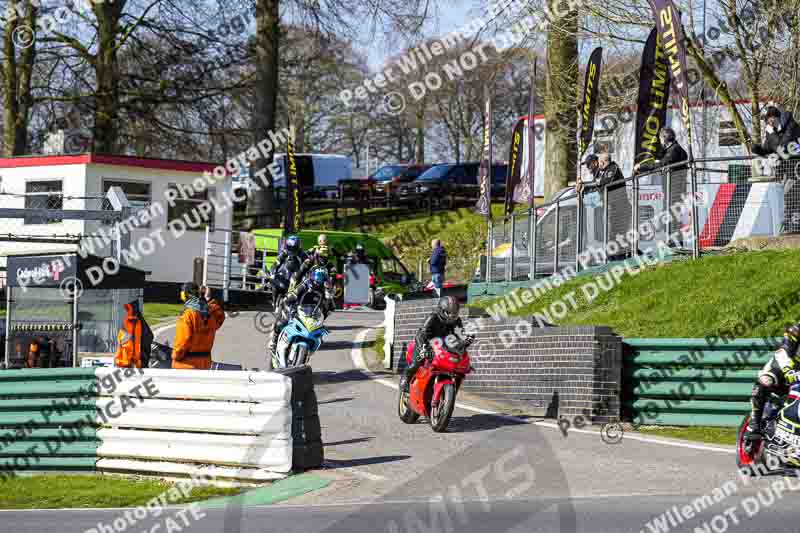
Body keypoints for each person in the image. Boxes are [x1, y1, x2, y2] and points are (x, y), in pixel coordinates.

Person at [633, 127, 689, 245]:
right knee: (670, 216)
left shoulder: (674, 150)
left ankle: (675, 244)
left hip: (674, 189)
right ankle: (674, 243)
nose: (660, 142)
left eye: (660, 139)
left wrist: (641, 167)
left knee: (672, 216)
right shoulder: (671, 150)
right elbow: (661, 161)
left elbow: (663, 163)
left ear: (665, 138)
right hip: (671, 189)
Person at [745, 324, 800, 441]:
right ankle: (754, 424)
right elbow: (782, 354)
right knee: (765, 381)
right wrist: (789, 371)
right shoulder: (796, 331)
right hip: (781, 369)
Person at [400, 296, 463, 393]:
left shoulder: (457, 321)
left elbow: (460, 335)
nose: (452, 316)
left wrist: (464, 342)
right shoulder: (432, 318)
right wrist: (423, 348)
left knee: (456, 367)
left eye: (454, 313)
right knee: (416, 362)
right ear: (441, 310)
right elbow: (421, 334)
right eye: (449, 313)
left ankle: (447, 390)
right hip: (425, 343)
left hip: (442, 346)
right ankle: (405, 380)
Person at [752, 106, 800, 233]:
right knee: (785, 195)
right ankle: (789, 223)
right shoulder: (771, 131)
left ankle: (793, 223)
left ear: (775, 118)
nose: (768, 123)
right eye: (767, 120)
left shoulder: (791, 126)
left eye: (769, 119)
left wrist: (772, 133)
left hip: (796, 166)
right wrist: (757, 149)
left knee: (789, 193)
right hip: (785, 169)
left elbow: (783, 147)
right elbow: (768, 147)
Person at [577, 152, 632, 259]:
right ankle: (616, 258)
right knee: (613, 237)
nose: (588, 168)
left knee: (616, 237)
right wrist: (582, 188)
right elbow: (596, 187)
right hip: (613, 209)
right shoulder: (602, 171)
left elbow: (604, 183)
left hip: (621, 209)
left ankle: (620, 259)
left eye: (589, 165)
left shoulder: (613, 168)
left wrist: (585, 185)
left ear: (600, 162)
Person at [268, 269, 329, 357]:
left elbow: (325, 308)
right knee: (282, 322)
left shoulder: (323, 291)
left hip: (310, 315)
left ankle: (307, 351)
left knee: (317, 332)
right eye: (317, 282)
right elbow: (294, 294)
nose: (318, 284)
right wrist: (288, 300)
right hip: (296, 309)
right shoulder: (305, 284)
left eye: (321, 282)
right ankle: (274, 341)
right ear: (312, 279)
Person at [172, 282, 225, 370]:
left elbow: (182, 341)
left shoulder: (187, 315)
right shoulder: (210, 314)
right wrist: (208, 300)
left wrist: (175, 356)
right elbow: (220, 316)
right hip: (205, 363)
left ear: (185, 295)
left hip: (186, 365)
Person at [114, 300, 154, 369]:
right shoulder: (131, 322)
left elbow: (127, 344)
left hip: (130, 364)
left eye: (128, 309)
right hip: (128, 363)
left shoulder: (133, 322)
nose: (127, 312)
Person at [269, 235, 306, 307]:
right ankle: (274, 301)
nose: (292, 250)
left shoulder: (302, 254)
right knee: (273, 280)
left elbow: (308, 263)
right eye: (290, 247)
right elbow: (276, 263)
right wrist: (273, 271)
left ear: (298, 246)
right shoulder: (285, 252)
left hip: (297, 277)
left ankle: (299, 306)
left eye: (294, 247)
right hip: (284, 276)